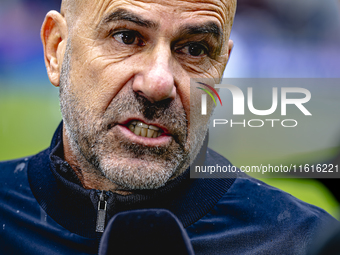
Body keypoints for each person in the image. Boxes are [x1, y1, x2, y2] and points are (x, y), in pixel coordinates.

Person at [0, 0, 338, 254]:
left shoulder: (304, 242)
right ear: (56, 50)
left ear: (221, 68)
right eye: (127, 37)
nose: (159, 83)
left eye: (195, 49)